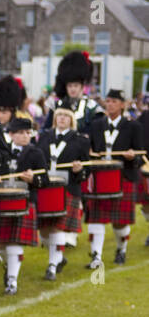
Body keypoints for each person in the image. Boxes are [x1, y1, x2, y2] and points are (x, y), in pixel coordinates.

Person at [84, 89, 144, 267]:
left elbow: (141, 155)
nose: (110, 104)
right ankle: (96, 257)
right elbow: (90, 150)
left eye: (114, 101)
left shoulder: (134, 126)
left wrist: (133, 156)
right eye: (108, 101)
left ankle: (121, 249)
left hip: (123, 176)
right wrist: (89, 153)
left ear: (123, 105)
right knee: (96, 217)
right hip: (100, 176)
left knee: (120, 221)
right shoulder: (96, 124)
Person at [0, 116, 43, 294]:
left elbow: (45, 179)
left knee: (15, 243)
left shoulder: (36, 153)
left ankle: (12, 281)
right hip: (1, 201)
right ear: (10, 134)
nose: (25, 136)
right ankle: (9, 266)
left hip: (25, 202)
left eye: (28, 132)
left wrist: (34, 178)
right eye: (20, 133)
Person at [34, 106, 87, 280]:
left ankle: (52, 265)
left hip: (68, 187)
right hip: (45, 187)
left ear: (71, 119)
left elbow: (87, 169)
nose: (62, 118)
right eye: (59, 115)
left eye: (66, 115)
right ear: (55, 118)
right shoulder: (44, 137)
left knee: (57, 227)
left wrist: (80, 169)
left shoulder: (80, 140)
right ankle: (59, 257)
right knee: (44, 230)